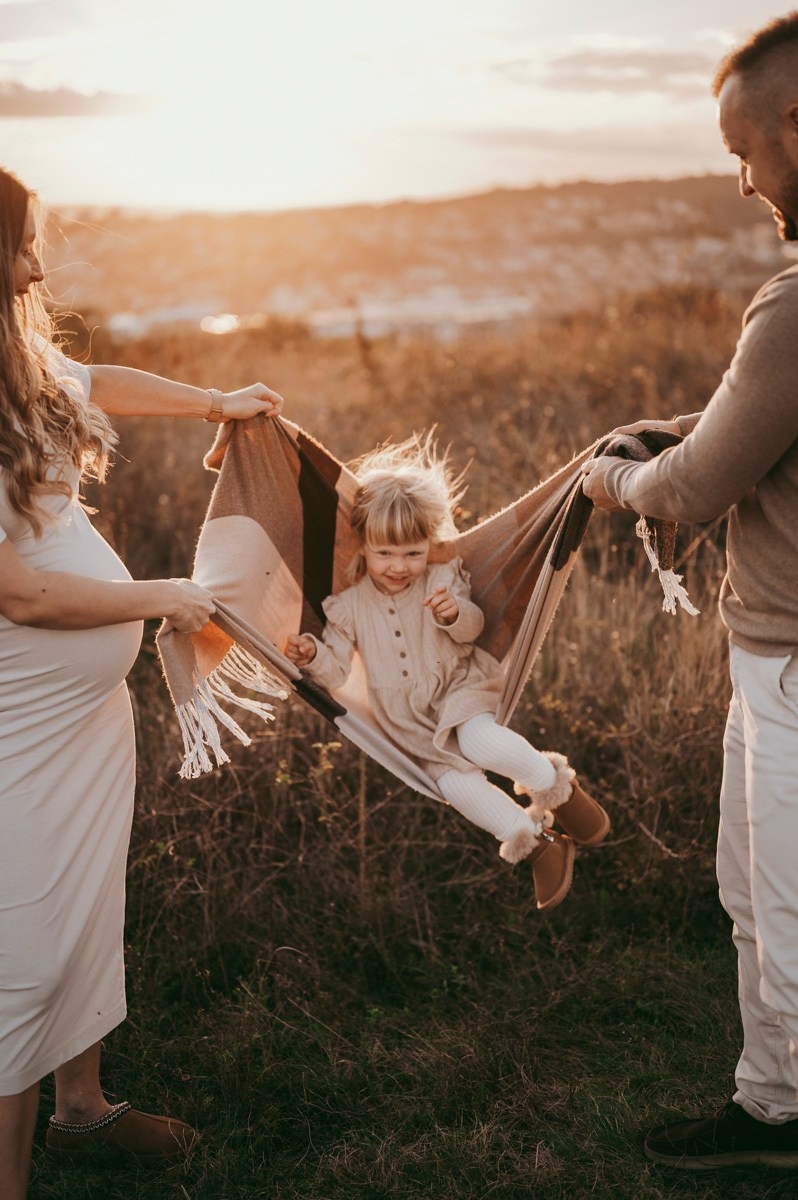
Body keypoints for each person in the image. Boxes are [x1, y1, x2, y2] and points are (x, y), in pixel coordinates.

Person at [0, 166, 285, 1199]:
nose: (37, 264)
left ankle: (80, 1107)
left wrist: (220, 400)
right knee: (23, 943)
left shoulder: (16, 360)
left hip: (84, 714)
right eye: (23, 243)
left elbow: (98, 379)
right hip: (17, 717)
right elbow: (21, 597)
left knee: (85, 906)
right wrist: (161, 596)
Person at [581, 12, 798, 1171]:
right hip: (770, 661)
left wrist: (612, 476)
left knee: (788, 917)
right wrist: (674, 434)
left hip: (793, 669)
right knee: (755, 899)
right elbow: (749, 433)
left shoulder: (797, 304)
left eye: (744, 149)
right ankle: (769, 1109)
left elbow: (696, 487)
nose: (742, 182)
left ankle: (782, 1117)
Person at [284, 434, 610, 911]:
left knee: (480, 742)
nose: (399, 567)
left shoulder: (441, 576)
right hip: (409, 726)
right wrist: (311, 655)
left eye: (413, 553)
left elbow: (473, 629)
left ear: (429, 545)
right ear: (363, 545)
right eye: (385, 554)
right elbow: (334, 674)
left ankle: (555, 788)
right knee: (456, 788)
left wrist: (453, 613)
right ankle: (539, 844)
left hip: (461, 689)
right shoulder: (349, 605)